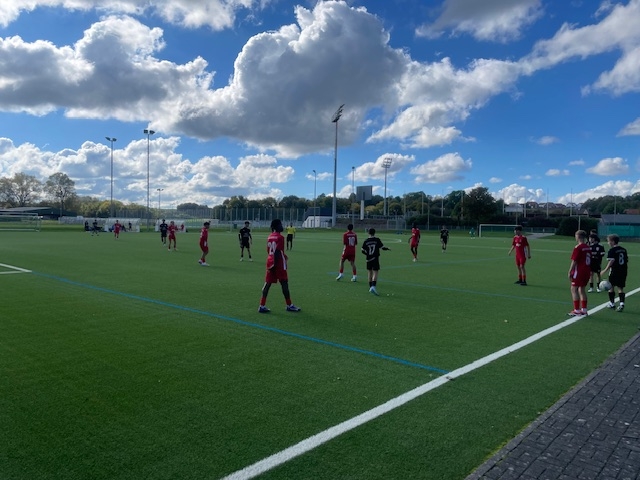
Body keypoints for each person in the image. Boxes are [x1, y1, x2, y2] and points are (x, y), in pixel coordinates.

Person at [258, 219, 301, 313]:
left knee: (267, 283)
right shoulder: (280, 237)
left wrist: (276, 260)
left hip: (270, 261)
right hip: (278, 263)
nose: (282, 226)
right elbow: (277, 251)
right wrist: (279, 261)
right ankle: (289, 305)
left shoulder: (270, 236)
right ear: (276, 226)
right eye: (280, 224)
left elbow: (269, 250)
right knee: (284, 283)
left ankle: (262, 305)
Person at [601, 234, 628, 312]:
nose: (608, 243)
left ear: (612, 242)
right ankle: (622, 304)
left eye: (608, 241)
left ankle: (612, 303)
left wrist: (605, 270)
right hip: (623, 270)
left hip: (614, 271)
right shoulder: (623, 250)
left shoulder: (612, 250)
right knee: (620, 288)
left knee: (611, 287)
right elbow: (626, 260)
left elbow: (611, 261)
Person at [567, 230, 591, 316]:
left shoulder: (578, 247)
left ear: (578, 237)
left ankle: (576, 310)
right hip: (587, 271)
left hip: (579, 271)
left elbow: (574, 260)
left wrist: (570, 271)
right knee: (582, 289)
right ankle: (584, 309)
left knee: (574, 289)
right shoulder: (588, 247)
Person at [361, 227, 390, 296]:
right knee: (375, 272)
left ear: (368, 233)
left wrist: (367, 254)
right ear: (374, 233)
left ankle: (370, 287)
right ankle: (373, 286)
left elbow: (362, 250)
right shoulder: (377, 240)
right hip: (375, 258)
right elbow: (382, 247)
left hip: (368, 259)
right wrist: (388, 248)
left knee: (369, 272)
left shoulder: (366, 241)